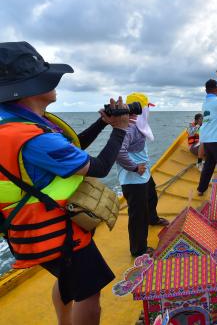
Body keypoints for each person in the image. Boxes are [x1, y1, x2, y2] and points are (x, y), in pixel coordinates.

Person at [0, 41, 130, 325]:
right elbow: (97, 167)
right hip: (58, 233)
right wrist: (120, 130)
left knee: (68, 282)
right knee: (90, 294)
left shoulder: (15, 124)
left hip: (30, 229)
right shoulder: (35, 137)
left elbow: (71, 148)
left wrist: (104, 123)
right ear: (28, 88)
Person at [116, 92, 169, 257]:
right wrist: (134, 167)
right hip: (133, 178)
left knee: (151, 196)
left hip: (143, 174)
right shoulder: (130, 127)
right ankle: (138, 249)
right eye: (147, 107)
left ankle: (152, 219)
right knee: (138, 215)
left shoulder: (137, 123)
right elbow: (118, 151)